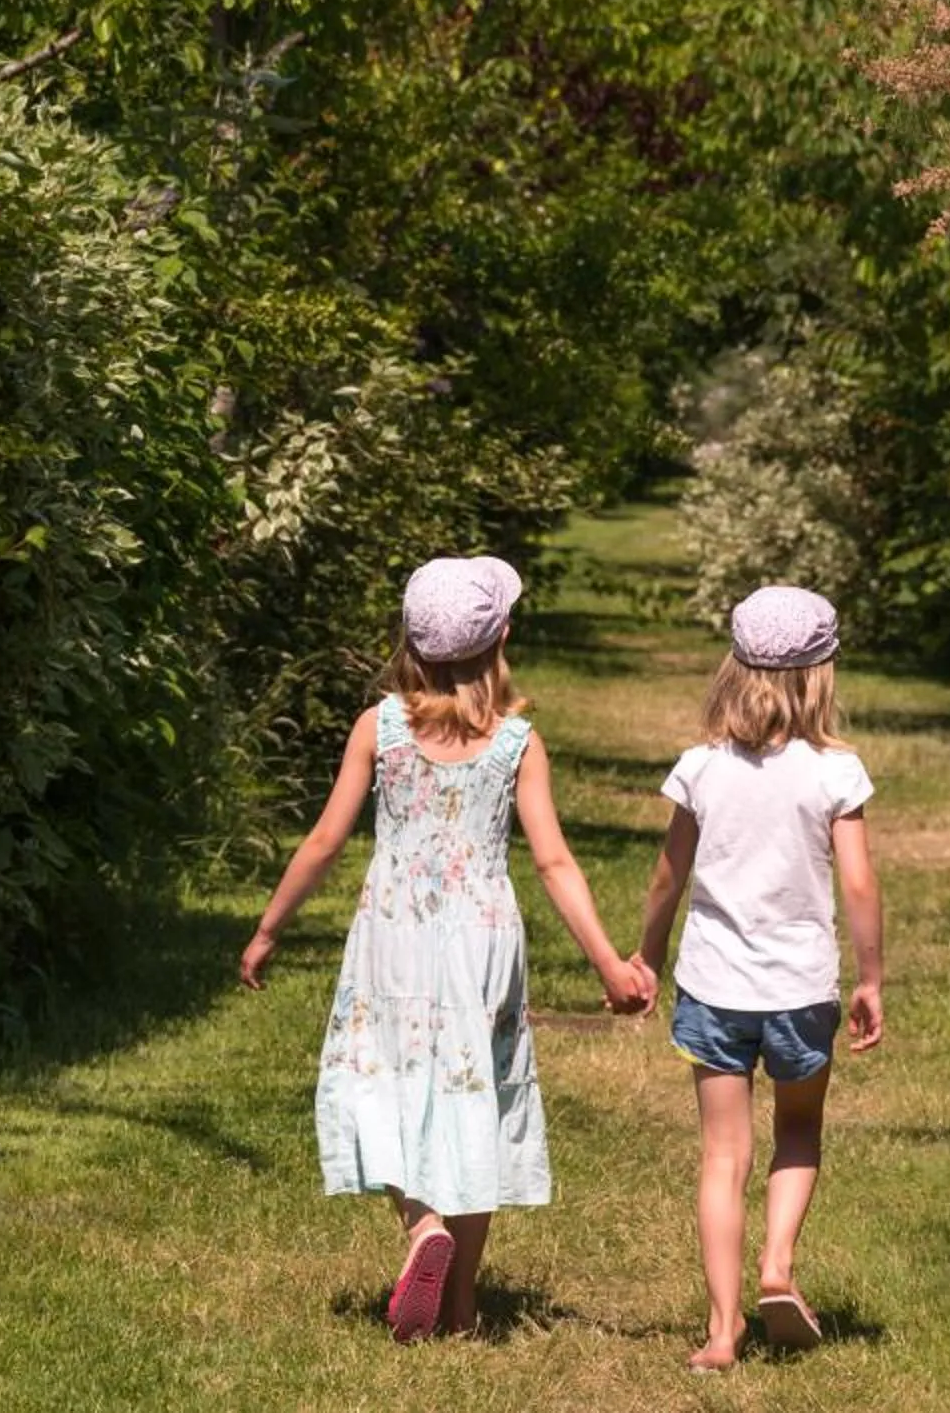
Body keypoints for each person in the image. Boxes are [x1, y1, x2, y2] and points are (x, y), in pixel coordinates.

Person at [239, 555, 654, 1342]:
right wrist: (609, 961)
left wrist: (268, 929)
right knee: (475, 1098)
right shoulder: (517, 744)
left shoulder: (380, 726)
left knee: (383, 1087)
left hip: (394, 932)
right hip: (482, 939)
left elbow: (327, 839)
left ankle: (421, 1224)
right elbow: (556, 862)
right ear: (500, 637)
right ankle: (461, 1308)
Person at [632, 584, 885, 1373]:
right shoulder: (834, 773)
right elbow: (860, 886)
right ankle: (777, 1267)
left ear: (733, 668)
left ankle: (720, 1329)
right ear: (821, 676)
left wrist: (645, 954)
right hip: (801, 990)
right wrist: (871, 978)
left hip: (714, 988)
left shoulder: (701, 769)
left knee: (721, 1156)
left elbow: (666, 879)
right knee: (799, 1131)